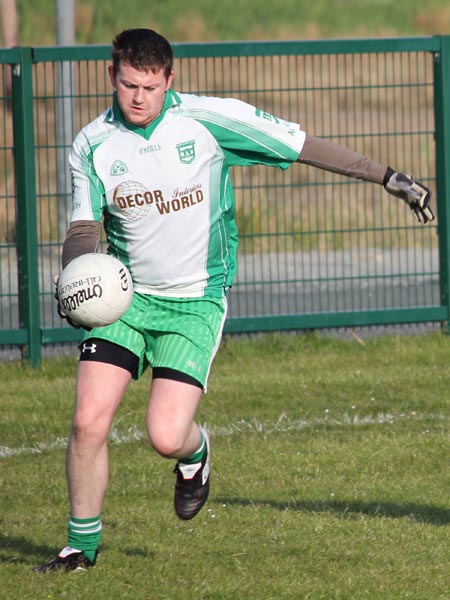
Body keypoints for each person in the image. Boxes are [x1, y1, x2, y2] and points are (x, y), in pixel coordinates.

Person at [33, 28, 434, 573]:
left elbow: (303, 146)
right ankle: (81, 547)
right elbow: (82, 226)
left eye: (149, 87)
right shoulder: (92, 144)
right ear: (112, 76)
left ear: (169, 81)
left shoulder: (208, 120)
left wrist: (386, 177)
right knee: (87, 422)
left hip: (195, 303)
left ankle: (195, 456)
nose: (137, 97)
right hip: (125, 302)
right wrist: (75, 273)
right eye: (128, 84)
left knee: (165, 435)